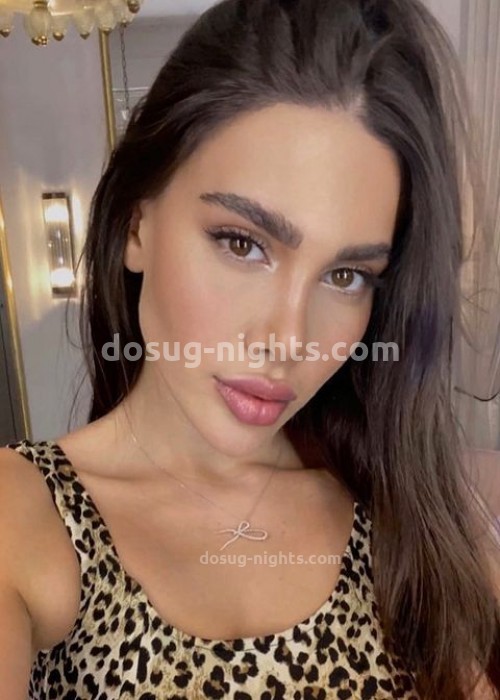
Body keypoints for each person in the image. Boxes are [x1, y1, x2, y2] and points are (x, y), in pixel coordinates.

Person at [1, 0, 499, 697]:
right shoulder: (25, 515)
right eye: (242, 243)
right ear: (137, 224)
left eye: (347, 275)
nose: (288, 340)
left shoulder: (403, 517)